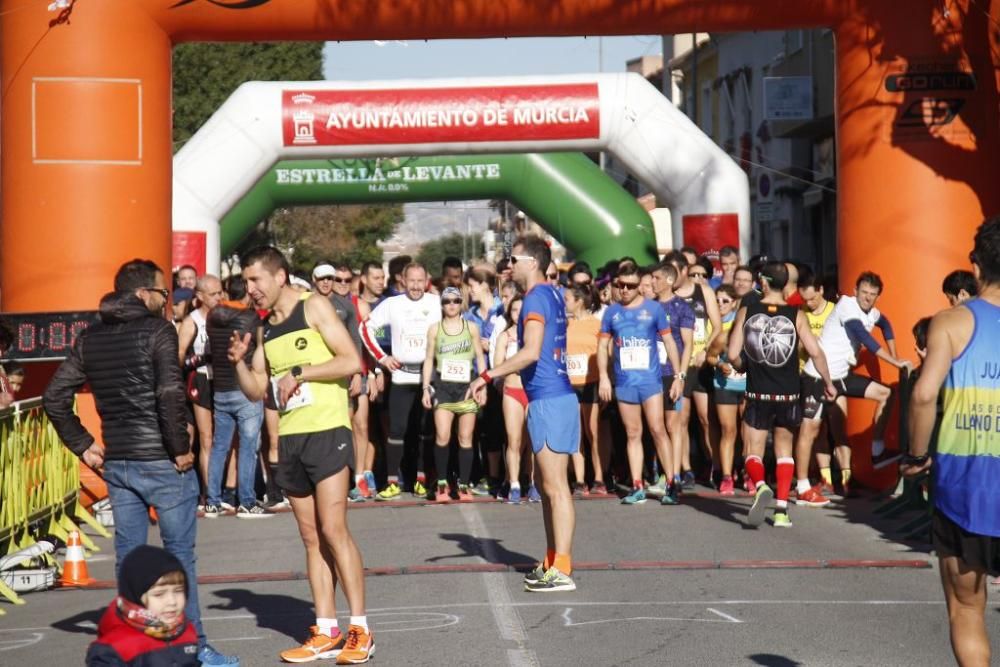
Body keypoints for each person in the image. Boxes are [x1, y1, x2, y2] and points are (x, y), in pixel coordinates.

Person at [44, 258, 237, 666]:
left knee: (130, 561)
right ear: (143, 294)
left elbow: (54, 396)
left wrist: (83, 444)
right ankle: (194, 646)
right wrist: (179, 448)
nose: (168, 302)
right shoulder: (157, 330)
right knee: (179, 556)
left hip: (119, 461)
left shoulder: (89, 337)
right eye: (163, 293)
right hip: (164, 462)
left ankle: (135, 646)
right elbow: (169, 392)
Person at [230, 246, 372, 664]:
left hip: (328, 430)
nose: (250, 289)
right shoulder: (264, 330)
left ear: (280, 277)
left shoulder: (315, 307)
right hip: (291, 437)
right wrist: (239, 364)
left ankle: (360, 629)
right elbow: (258, 390)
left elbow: (351, 361)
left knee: (333, 529)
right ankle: (326, 630)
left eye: (256, 280)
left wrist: (299, 372)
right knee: (310, 538)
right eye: (246, 281)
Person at [903, 216, 1000, 667]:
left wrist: (917, 455)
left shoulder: (951, 322)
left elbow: (924, 394)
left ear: (977, 267)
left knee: (966, 609)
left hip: (967, 485)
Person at [469, 235, 580, 592]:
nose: (508, 265)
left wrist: (488, 373)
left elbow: (530, 352)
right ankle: (552, 559)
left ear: (532, 262)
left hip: (551, 398)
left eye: (513, 259)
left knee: (555, 487)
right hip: (550, 397)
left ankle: (561, 567)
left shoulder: (536, 296)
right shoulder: (550, 293)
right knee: (546, 489)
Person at [726, 261, 837, 528]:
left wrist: (742, 366)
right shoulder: (795, 314)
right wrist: (828, 382)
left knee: (752, 448)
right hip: (788, 393)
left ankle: (762, 485)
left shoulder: (747, 310)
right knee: (784, 449)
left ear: (762, 282)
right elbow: (815, 351)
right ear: (785, 284)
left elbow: (732, 355)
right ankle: (782, 511)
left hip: (757, 392)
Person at [801, 271, 913, 494]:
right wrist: (895, 362)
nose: (867, 298)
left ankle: (877, 451)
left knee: (886, 394)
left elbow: (887, 325)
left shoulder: (873, 312)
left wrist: (896, 355)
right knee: (811, 429)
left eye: (872, 294)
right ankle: (803, 485)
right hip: (817, 375)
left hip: (841, 376)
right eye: (864, 293)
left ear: (878, 296)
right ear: (855, 292)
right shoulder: (846, 306)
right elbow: (864, 338)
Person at [598, 264, 682, 506]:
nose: (624, 289)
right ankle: (637, 486)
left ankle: (671, 483)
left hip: (650, 381)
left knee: (658, 430)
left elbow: (669, 341)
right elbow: (603, 346)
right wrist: (604, 376)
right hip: (625, 382)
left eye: (631, 285)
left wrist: (678, 376)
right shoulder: (611, 312)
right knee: (632, 433)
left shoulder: (653, 308)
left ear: (639, 286)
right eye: (620, 285)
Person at [361, 262, 440, 500]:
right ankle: (393, 481)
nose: (416, 286)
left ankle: (422, 480)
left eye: (420, 281)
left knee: (426, 431)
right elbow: (365, 328)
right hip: (402, 375)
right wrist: (382, 358)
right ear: (403, 281)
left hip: (429, 376)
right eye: (411, 281)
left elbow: (456, 327)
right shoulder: (392, 304)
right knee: (396, 430)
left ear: (426, 280)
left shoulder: (436, 302)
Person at [204, 277, 270, 519]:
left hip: (220, 388)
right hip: (245, 388)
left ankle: (212, 501)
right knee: (248, 448)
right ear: (248, 293)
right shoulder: (252, 319)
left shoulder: (212, 315)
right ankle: (247, 501)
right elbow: (260, 349)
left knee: (219, 447)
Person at [86, 545, 199, 667]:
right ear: (136, 596)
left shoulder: (186, 631)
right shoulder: (114, 648)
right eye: (159, 594)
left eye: (178, 591)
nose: (172, 602)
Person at [422, 286, 486, 501]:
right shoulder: (434, 329)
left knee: (465, 437)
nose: (451, 305)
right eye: (447, 301)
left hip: (466, 387)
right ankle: (442, 484)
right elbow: (429, 359)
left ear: (461, 303)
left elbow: (480, 357)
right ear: (442, 304)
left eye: (456, 301)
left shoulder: (472, 328)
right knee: (442, 435)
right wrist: (425, 388)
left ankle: (465, 484)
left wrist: (483, 384)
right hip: (443, 386)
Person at [792, 267, 839, 506]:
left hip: (834, 376)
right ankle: (807, 480)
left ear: (822, 290)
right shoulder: (800, 312)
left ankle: (836, 476)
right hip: (807, 376)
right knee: (809, 429)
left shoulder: (834, 311)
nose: (809, 303)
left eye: (813, 298)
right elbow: (802, 347)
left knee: (835, 429)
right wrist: (807, 344)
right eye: (805, 299)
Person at [177, 274, 224, 507]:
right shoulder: (191, 321)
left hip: (224, 380)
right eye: (214, 294)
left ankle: (226, 490)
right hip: (201, 380)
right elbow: (179, 358)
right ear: (200, 296)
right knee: (207, 438)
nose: (219, 297)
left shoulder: (224, 316)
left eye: (220, 292)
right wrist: (200, 358)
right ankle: (209, 493)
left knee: (224, 438)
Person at [651, 261, 695, 498]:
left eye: (657, 278)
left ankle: (675, 475)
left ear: (669, 280)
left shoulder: (681, 308)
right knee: (656, 426)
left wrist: (681, 376)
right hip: (651, 374)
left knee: (673, 425)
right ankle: (664, 473)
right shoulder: (649, 306)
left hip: (672, 373)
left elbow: (687, 345)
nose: (652, 282)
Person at [493, 296, 539, 504]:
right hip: (512, 390)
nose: (518, 314)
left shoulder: (535, 335)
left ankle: (534, 483)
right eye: (514, 310)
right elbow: (497, 367)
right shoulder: (505, 336)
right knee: (514, 440)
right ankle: (513, 484)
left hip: (532, 392)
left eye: (522, 310)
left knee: (534, 441)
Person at [565, 284, 607, 495]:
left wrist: (607, 382)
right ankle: (580, 481)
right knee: (575, 434)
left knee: (593, 432)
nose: (565, 303)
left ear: (579, 301)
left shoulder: (597, 325)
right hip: (569, 384)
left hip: (591, 383)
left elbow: (606, 353)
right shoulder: (565, 324)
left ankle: (599, 478)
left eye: (568, 299)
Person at [704, 284, 746, 495]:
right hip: (726, 386)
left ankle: (748, 473)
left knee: (747, 433)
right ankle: (727, 477)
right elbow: (710, 356)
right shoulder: (723, 336)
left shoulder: (752, 334)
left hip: (748, 387)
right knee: (728, 431)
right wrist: (719, 364)